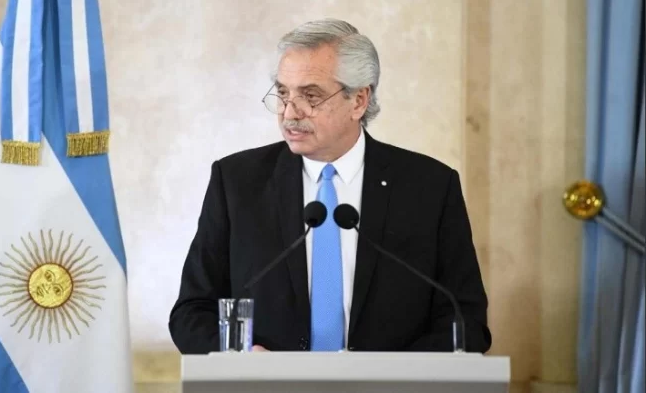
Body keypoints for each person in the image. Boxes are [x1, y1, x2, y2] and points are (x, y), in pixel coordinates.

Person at [168, 18, 491, 354]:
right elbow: (192, 311)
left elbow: (465, 319)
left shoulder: (430, 188)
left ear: (359, 101)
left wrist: (391, 374)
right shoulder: (237, 182)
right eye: (283, 93)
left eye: (311, 96)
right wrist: (244, 356)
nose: (289, 113)